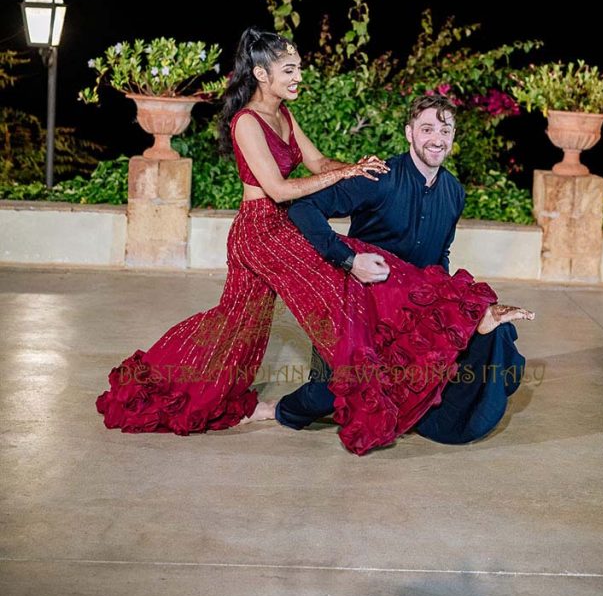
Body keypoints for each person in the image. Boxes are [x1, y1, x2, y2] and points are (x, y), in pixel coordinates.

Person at [96, 28, 533, 455]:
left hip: (281, 226)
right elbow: (280, 190)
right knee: (343, 294)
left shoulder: (284, 115)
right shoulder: (246, 122)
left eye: (299, 68)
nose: (298, 76)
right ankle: (354, 385)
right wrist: (345, 184)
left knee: (237, 325)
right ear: (261, 74)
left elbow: (320, 162)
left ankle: (172, 383)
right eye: (289, 69)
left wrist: (357, 169)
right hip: (261, 231)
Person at [274, 96, 530, 444]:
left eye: (445, 130)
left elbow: (440, 257)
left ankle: (437, 412)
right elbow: (304, 209)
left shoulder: (454, 192)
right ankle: (280, 410)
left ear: (453, 137)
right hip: (361, 305)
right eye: (427, 129)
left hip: (413, 310)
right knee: (329, 395)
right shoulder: (378, 177)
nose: (436, 139)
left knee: (492, 332)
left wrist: (451, 312)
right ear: (409, 133)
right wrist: (349, 260)